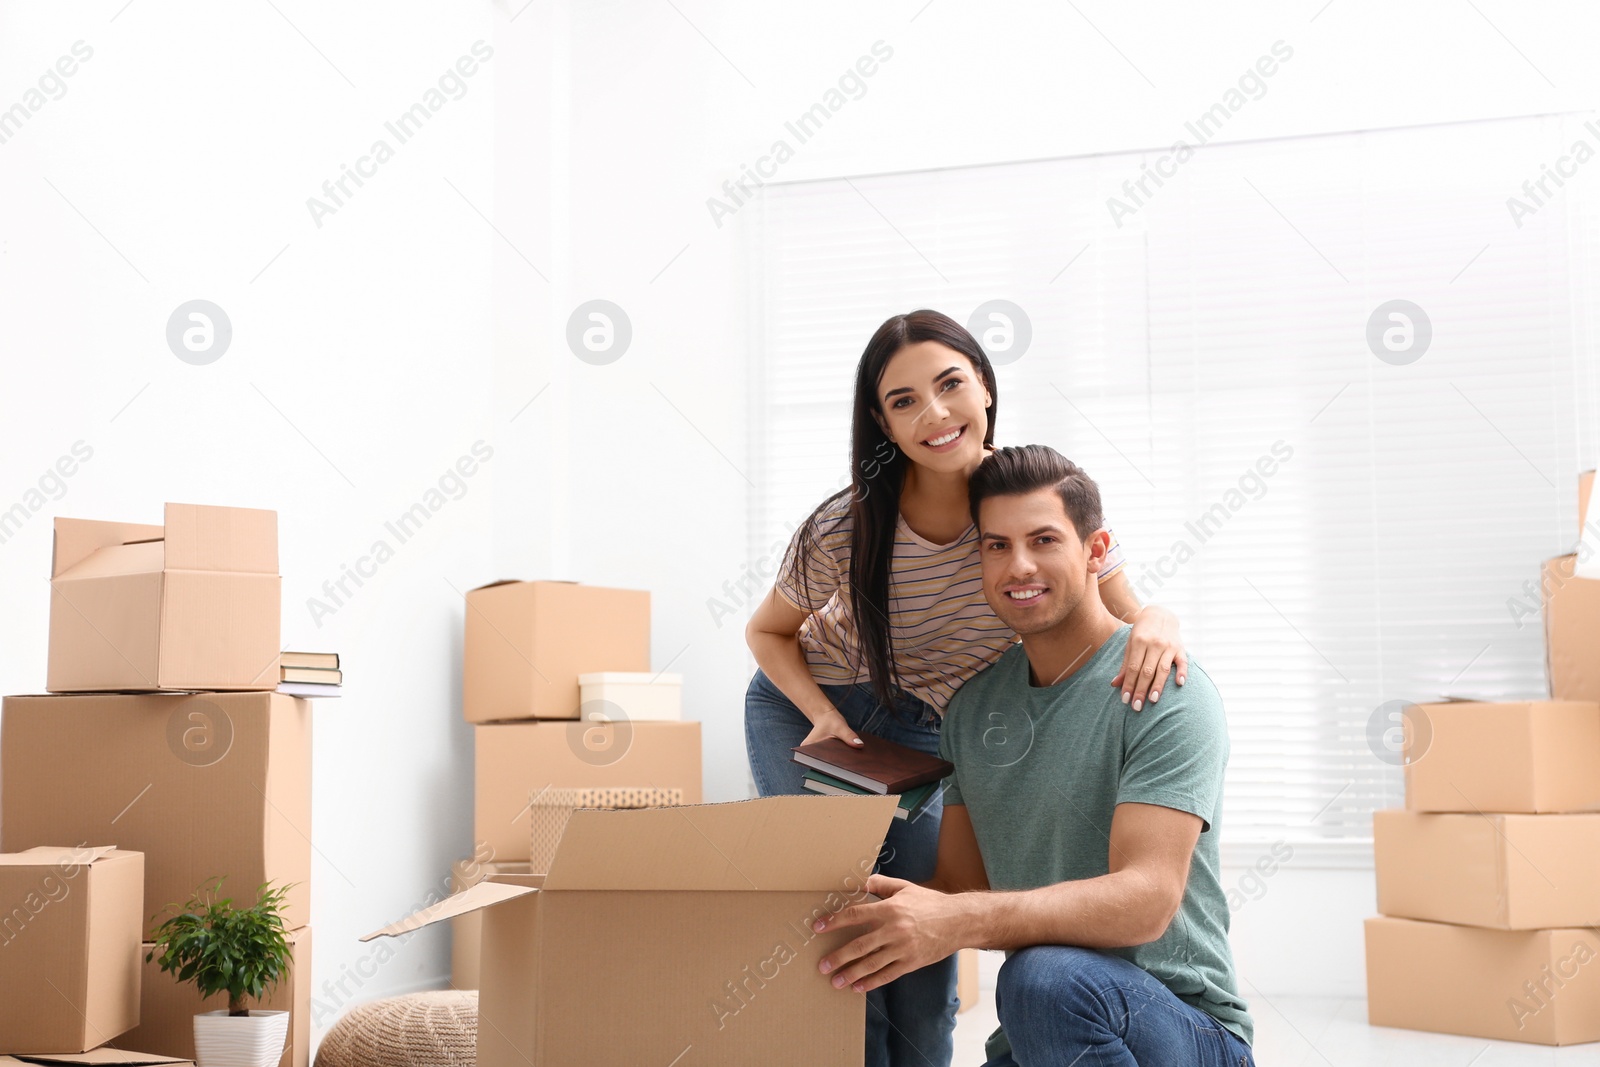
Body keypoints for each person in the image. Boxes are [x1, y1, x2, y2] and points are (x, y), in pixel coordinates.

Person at [743, 311, 1192, 1067]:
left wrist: (1164, 621)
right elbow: (766, 633)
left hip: (928, 723)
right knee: (837, 915)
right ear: (882, 422)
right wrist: (819, 715)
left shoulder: (1025, 497)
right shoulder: (846, 526)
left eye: (951, 384)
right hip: (815, 710)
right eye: (904, 400)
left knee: (925, 911)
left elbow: (1123, 601)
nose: (936, 413)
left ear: (985, 384)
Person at [809, 444, 1255, 1067]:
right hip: (1041, 1036)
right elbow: (964, 886)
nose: (1019, 566)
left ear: (1096, 551)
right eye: (997, 545)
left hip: (1181, 1029)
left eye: (1043, 540)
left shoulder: (1163, 689)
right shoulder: (971, 709)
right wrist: (835, 906)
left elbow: (1147, 899)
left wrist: (960, 921)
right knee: (1041, 987)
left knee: (1044, 978)